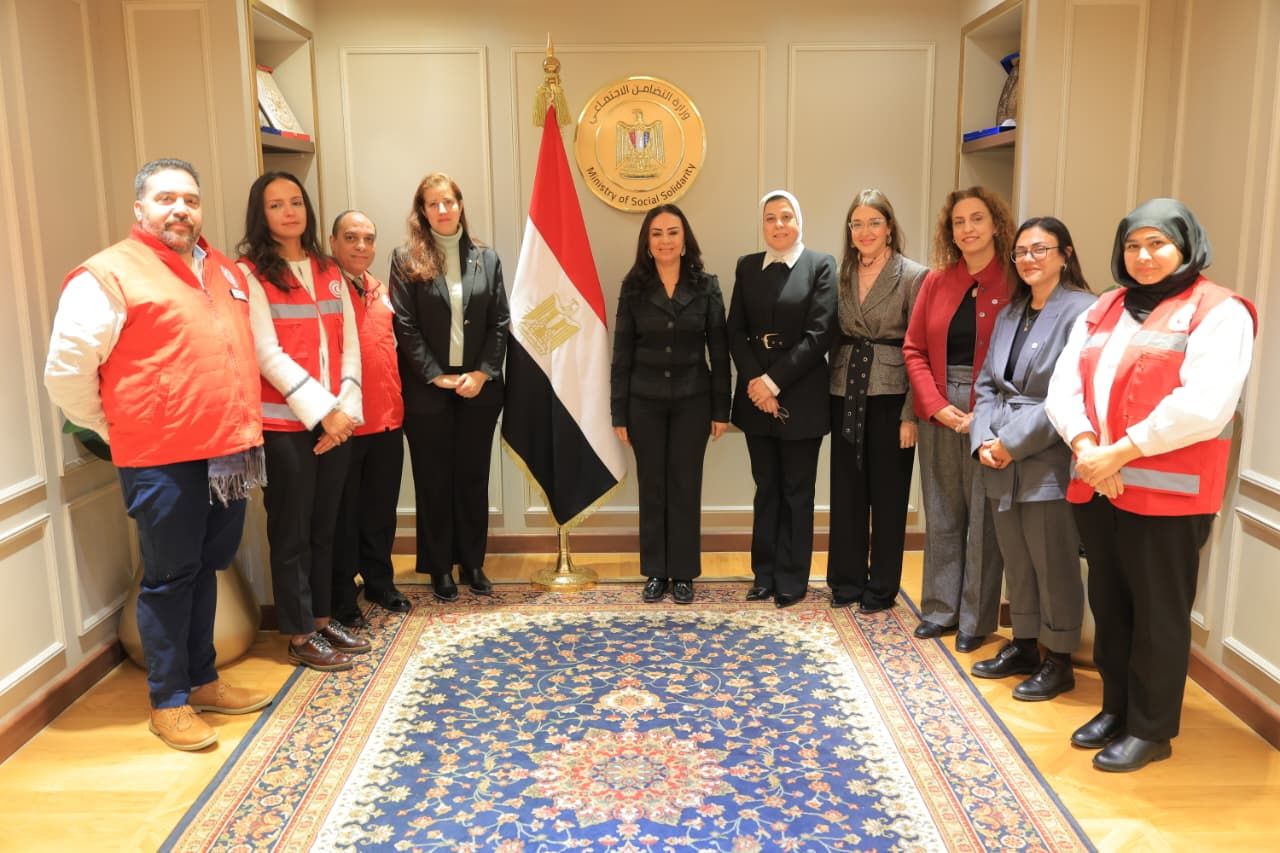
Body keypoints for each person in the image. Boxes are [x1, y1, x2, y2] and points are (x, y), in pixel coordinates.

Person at [44, 158, 271, 750]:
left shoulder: (222, 270)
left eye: (190, 200)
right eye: (166, 199)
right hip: (161, 457)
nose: (181, 210)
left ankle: (202, 679)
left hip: (228, 452)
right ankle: (167, 701)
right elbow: (66, 373)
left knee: (206, 566)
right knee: (169, 577)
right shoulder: (107, 274)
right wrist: (119, 428)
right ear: (139, 208)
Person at [1046, 198, 1256, 772]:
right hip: (1099, 484)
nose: (1143, 256)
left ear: (1186, 247)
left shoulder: (1220, 311)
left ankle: (1152, 729)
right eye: (1133, 245)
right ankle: (1116, 708)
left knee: (1159, 614)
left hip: (1168, 495)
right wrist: (1087, 448)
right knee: (1111, 606)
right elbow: (1064, 385)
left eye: (1157, 244)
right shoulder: (1107, 306)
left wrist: (1118, 452)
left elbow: (1205, 405)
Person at [239, 171, 369, 671]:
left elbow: (349, 345)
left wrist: (345, 412)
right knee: (291, 531)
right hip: (285, 427)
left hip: (335, 422)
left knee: (324, 527)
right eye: (276, 205)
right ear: (261, 214)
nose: (289, 212)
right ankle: (297, 633)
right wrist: (324, 412)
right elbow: (266, 354)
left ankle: (320, 619)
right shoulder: (251, 274)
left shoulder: (327, 267)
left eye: (296, 201)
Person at [969, 217, 1096, 701]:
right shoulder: (1011, 312)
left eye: (1040, 250)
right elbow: (986, 384)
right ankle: (1024, 644)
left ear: (1065, 254)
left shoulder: (1083, 311)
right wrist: (984, 441)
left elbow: (1067, 396)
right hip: (998, 452)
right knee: (1017, 558)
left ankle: (1059, 659)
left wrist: (1011, 444)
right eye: (1021, 251)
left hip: (1047, 455)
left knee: (1052, 560)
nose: (1028, 259)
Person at [903, 186, 1016, 652]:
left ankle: (975, 619)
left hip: (992, 410)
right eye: (958, 222)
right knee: (942, 510)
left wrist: (982, 416)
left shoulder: (1015, 281)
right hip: (939, 408)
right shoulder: (936, 282)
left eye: (977, 219)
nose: (967, 229)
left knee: (984, 519)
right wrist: (933, 405)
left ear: (996, 225)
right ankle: (939, 609)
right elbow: (913, 349)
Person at [390, 172, 509, 602]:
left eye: (449, 201)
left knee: (473, 476)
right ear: (423, 212)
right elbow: (403, 324)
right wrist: (433, 373)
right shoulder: (406, 259)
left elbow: (500, 322)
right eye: (433, 204)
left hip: (479, 388)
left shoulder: (486, 258)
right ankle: (440, 566)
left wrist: (482, 373)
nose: (443, 210)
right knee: (434, 479)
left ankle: (472, 562)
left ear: (460, 205)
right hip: (428, 388)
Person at [610, 204, 731, 605]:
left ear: (685, 239)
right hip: (643, 402)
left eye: (672, 232)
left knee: (684, 485)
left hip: (693, 402)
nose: (665, 240)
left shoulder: (707, 286)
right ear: (647, 242)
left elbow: (719, 352)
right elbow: (622, 354)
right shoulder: (633, 287)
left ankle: (683, 572)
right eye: (657, 233)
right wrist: (619, 411)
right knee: (653, 487)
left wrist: (721, 410)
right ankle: (655, 572)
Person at [728, 190, 837, 608]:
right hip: (755, 396)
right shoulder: (747, 266)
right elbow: (735, 330)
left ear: (799, 221)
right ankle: (764, 574)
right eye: (770, 217)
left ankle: (792, 578)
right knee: (766, 487)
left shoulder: (820, 265)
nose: (778, 225)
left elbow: (819, 335)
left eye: (786, 216)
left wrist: (773, 383)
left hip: (801, 395)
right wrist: (757, 383)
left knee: (797, 490)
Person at [827, 189, 928, 613]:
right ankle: (846, 581)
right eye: (857, 224)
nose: (865, 231)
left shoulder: (914, 275)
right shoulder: (840, 274)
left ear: (889, 228)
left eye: (873, 223)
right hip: (845, 390)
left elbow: (921, 348)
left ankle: (882, 587)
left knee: (888, 496)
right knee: (846, 491)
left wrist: (911, 415)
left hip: (892, 396)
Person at [329, 210, 411, 625]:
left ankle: (380, 582)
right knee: (343, 517)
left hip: (387, 421)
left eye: (368, 238)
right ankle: (344, 597)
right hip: (345, 426)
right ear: (333, 242)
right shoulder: (324, 291)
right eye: (351, 237)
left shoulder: (380, 290)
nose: (361, 246)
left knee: (380, 511)